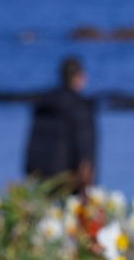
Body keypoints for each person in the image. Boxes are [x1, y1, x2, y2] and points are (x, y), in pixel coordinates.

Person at [23, 56, 98, 192]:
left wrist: (29, 169)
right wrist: (87, 167)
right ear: (80, 76)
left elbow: (33, 140)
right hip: (69, 176)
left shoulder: (44, 103)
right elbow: (84, 139)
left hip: (39, 173)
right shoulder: (80, 105)